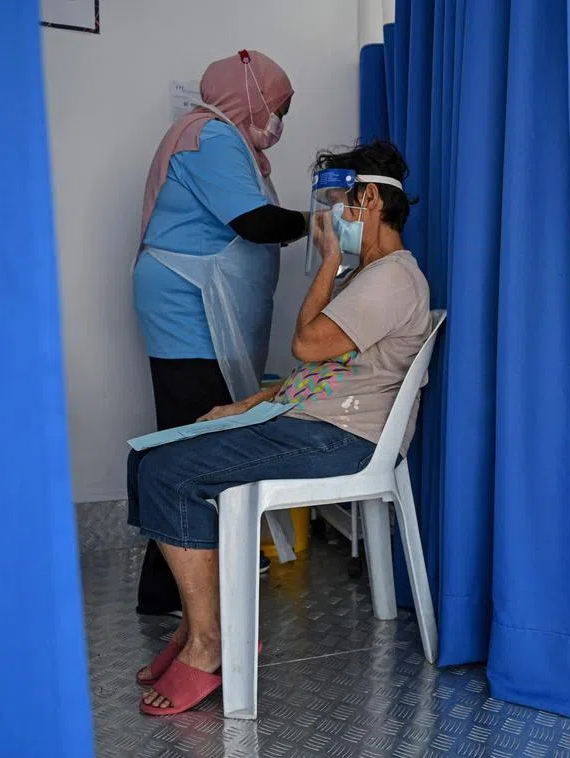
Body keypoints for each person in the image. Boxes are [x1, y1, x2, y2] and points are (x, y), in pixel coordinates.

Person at [129, 139, 430, 715]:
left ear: (368, 199)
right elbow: (322, 372)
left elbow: (307, 345)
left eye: (337, 205)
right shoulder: (369, 278)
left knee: (168, 474)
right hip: (311, 422)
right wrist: (247, 404)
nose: (329, 220)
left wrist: (326, 263)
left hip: (344, 440)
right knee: (147, 459)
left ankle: (210, 644)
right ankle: (199, 626)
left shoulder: (392, 279)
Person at [132, 50, 307, 617]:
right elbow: (254, 223)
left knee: (189, 438)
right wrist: (324, 221)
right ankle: (177, 590)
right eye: (279, 107)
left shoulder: (226, 143)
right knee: (194, 442)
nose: (279, 120)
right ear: (251, 96)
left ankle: (169, 586)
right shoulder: (210, 136)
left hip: (194, 302)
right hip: (187, 304)